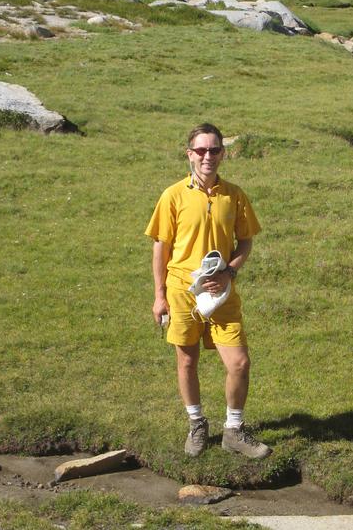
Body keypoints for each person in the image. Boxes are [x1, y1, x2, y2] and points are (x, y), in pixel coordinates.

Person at [145, 123, 272, 459]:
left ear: (222, 154)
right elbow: (161, 247)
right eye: (201, 150)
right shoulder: (173, 195)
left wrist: (229, 272)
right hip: (181, 292)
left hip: (222, 293)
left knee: (239, 363)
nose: (207, 157)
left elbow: (246, 240)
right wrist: (159, 296)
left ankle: (234, 430)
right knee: (187, 361)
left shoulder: (234, 195)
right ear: (190, 154)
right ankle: (197, 424)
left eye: (214, 150)